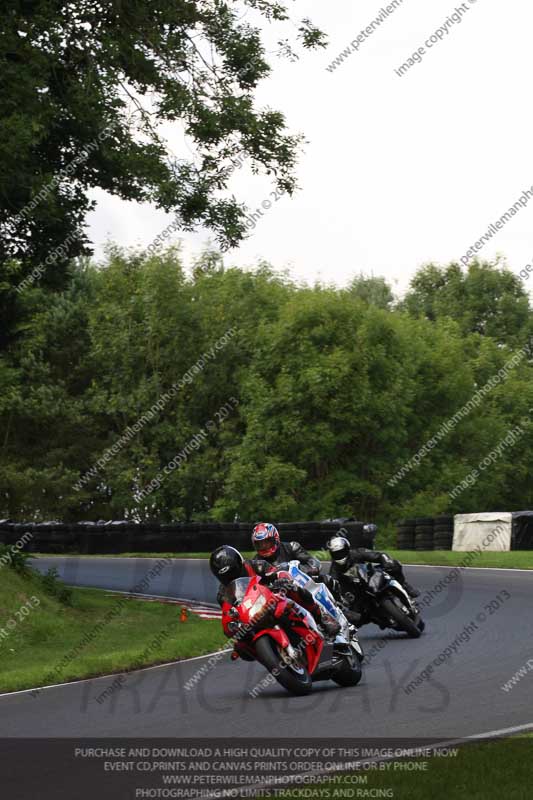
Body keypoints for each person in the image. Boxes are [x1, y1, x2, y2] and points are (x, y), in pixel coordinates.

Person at [209, 545, 340, 643]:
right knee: (240, 644)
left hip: (273, 598)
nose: (231, 577)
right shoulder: (222, 594)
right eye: (227, 577)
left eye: (233, 572)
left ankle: (322, 617)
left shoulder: (256, 565)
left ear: (239, 564)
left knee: (291, 588)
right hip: (252, 615)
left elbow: (276, 572)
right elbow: (228, 614)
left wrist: (281, 578)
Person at [327, 529, 420, 599]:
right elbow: (333, 586)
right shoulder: (334, 569)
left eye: (341, 552)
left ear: (347, 549)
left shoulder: (357, 553)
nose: (339, 556)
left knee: (394, 565)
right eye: (336, 554)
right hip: (358, 592)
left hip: (370, 577)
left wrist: (386, 561)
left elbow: (379, 555)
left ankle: (404, 585)